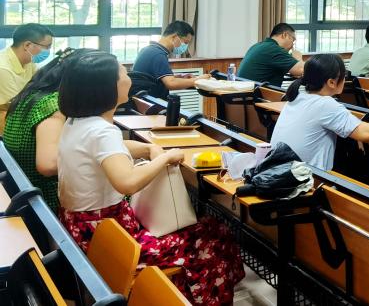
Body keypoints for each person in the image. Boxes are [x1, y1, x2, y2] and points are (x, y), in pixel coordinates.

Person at [57, 49, 243, 305]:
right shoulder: (101, 131)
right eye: (123, 73)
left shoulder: (77, 123)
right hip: (110, 242)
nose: (129, 78)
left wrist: (147, 149)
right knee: (213, 239)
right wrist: (164, 158)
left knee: (207, 229)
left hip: (87, 230)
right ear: (106, 88)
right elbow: (127, 182)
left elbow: (110, 151)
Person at [270, 53, 369, 171]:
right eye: (343, 75)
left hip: (279, 171)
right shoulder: (325, 104)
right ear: (331, 82)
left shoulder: (297, 96)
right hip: (305, 180)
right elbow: (364, 133)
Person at [3, 49, 72, 210]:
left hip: (23, 189)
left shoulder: (31, 95)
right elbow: (48, 165)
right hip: (46, 200)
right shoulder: (52, 104)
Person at [0, 23, 53, 132]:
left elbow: (41, 83)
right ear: (27, 45)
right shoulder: (3, 68)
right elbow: (15, 106)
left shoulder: (29, 61)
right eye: (46, 47)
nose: (48, 51)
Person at [129, 21, 201, 98]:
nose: (186, 46)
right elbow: (171, 83)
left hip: (141, 99)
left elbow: (151, 78)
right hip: (152, 101)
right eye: (185, 42)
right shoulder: (158, 55)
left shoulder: (149, 49)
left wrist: (179, 77)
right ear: (175, 37)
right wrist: (197, 80)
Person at [238, 22, 306, 87]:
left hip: (244, 91)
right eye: (293, 40)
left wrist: (296, 70)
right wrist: (298, 58)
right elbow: (302, 69)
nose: (293, 44)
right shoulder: (274, 49)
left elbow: (295, 71)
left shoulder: (258, 46)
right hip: (256, 93)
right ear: (284, 35)